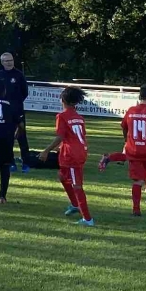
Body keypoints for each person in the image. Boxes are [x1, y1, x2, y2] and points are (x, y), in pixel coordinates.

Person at [100, 84, 146, 216]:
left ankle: (136, 210)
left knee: (138, 180)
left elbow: (123, 126)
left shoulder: (131, 110)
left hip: (134, 150)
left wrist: (126, 140)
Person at [54, 85, 95, 225]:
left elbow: (59, 137)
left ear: (63, 100)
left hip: (72, 155)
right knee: (62, 176)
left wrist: (46, 151)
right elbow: (76, 136)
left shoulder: (61, 116)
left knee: (77, 186)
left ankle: (87, 219)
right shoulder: (79, 117)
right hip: (78, 151)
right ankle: (75, 204)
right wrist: (62, 147)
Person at [0, 50, 30, 169]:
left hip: (18, 110)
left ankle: (26, 162)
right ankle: (10, 162)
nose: (9, 63)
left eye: (11, 60)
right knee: (7, 136)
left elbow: (25, 92)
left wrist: (16, 103)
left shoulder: (19, 74)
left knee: (21, 136)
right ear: (2, 62)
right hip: (4, 111)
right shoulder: (0, 74)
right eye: (6, 61)